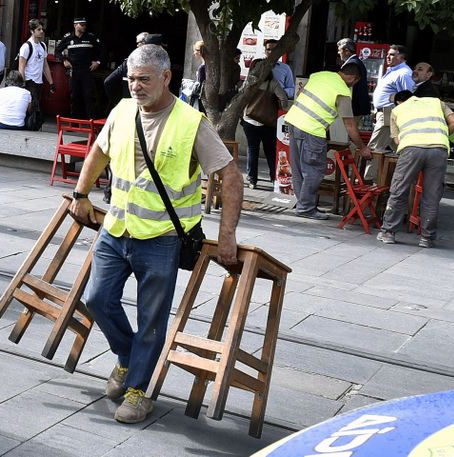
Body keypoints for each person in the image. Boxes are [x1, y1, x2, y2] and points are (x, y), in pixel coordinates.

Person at [67, 44, 241, 425]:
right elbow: (99, 152)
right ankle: (129, 359)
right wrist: (81, 193)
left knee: (152, 319)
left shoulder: (191, 122)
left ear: (166, 78)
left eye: (144, 79)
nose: (135, 86)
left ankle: (139, 391)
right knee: (97, 298)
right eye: (131, 78)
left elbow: (230, 175)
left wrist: (227, 234)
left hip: (163, 238)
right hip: (117, 229)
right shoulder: (123, 110)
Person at [377, 89, 454, 248]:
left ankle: (388, 232)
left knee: (399, 190)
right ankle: (427, 238)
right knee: (431, 195)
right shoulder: (437, 102)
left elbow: (397, 140)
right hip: (439, 149)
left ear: (399, 101)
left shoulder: (397, 110)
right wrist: (440, 136)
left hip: (412, 149)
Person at [286, 62, 370, 220]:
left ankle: (302, 203)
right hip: (313, 130)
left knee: (298, 168)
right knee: (314, 170)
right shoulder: (343, 91)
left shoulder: (319, 75)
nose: (354, 85)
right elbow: (350, 125)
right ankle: (306, 208)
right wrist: (362, 147)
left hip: (293, 121)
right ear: (352, 77)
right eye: (355, 82)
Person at [240, 38, 294, 189]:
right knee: (269, 150)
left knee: (255, 150)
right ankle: (272, 178)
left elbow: (291, 89)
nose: (271, 52)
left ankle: (252, 180)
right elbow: (283, 99)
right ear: (265, 50)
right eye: (268, 49)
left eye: (274, 49)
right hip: (269, 118)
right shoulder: (273, 83)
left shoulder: (250, 82)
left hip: (251, 118)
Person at [369, 45, 414, 159]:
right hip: (385, 113)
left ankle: (368, 177)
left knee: (375, 149)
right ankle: (405, 173)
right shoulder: (393, 71)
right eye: (388, 54)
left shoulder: (404, 73)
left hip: (390, 114)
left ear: (402, 57)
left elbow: (408, 98)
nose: (388, 56)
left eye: (392, 54)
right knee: (400, 150)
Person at [57, 17, 106, 120]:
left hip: (87, 71)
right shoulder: (68, 38)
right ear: (75, 25)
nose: (84, 26)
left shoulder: (90, 37)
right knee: (74, 96)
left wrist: (97, 62)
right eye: (81, 24)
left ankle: (91, 121)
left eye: (85, 25)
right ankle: (74, 121)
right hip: (74, 71)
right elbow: (57, 51)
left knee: (88, 96)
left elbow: (102, 50)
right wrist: (64, 60)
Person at [105, 33, 161, 102]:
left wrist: (118, 102)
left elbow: (108, 82)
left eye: (139, 43)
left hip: (128, 103)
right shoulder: (159, 63)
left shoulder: (129, 61)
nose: (137, 45)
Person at [17, 20, 50, 126]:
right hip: (29, 80)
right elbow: (21, 66)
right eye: (38, 29)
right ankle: (30, 124)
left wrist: (51, 82)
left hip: (39, 81)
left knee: (36, 104)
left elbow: (45, 65)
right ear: (32, 31)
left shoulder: (43, 46)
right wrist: (22, 82)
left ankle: (31, 124)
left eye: (42, 29)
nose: (41, 31)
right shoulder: (26, 46)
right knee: (32, 105)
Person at [337, 39, 372, 121]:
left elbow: (345, 84)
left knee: (347, 132)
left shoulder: (353, 63)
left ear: (347, 51)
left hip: (353, 108)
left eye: (339, 50)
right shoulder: (355, 62)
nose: (338, 53)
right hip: (354, 107)